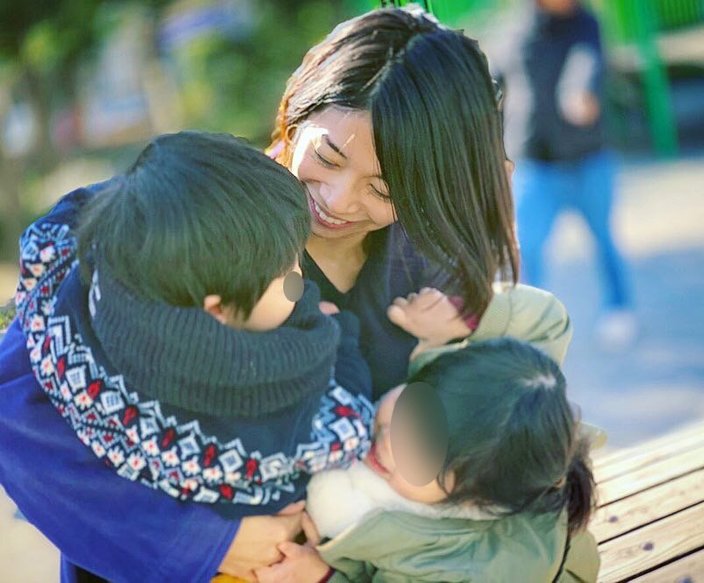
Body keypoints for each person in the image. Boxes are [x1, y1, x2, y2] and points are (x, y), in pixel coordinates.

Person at [0, 7, 572, 582]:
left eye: (383, 188)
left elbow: (493, 460)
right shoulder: (189, 213)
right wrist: (210, 543)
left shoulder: (430, 272)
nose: (339, 201)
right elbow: (15, 411)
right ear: (299, 111)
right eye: (326, 158)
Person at [13, 130, 374, 517]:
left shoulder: (69, 294)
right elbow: (348, 430)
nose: (301, 278)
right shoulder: (243, 427)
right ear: (218, 311)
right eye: (289, 274)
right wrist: (339, 338)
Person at [249, 286, 599, 583]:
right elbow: (549, 320)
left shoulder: (452, 564)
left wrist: (324, 576)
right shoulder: (504, 403)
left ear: (471, 501)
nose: (388, 442)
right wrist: (463, 318)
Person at [497, 0, 637, 350]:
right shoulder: (515, 29)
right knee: (527, 248)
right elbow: (493, 82)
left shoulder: (587, 24)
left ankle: (619, 308)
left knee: (604, 239)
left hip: (588, 158)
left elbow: (587, 64)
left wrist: (580, 95)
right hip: (535, 162)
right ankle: (532, 325)